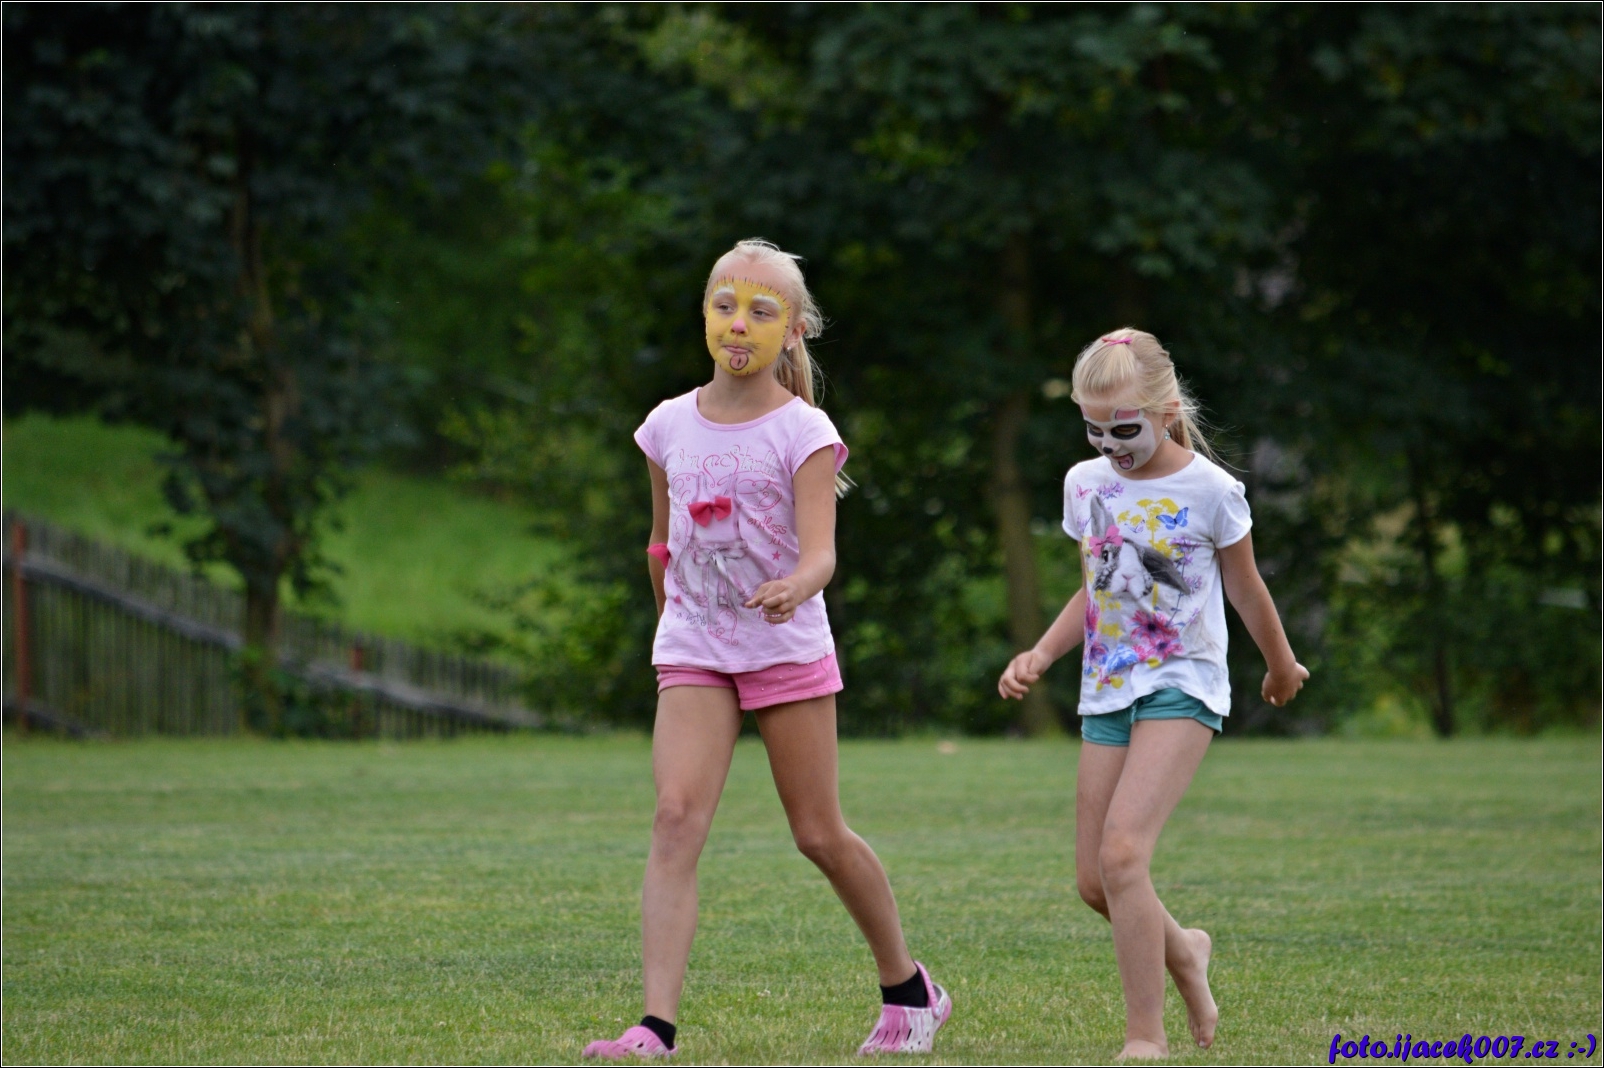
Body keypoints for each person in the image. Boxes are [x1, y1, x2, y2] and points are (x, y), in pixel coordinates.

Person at [583, 239, 951, 1061]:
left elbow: (821, 554)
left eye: (759, 310)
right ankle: (654, 1028)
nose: (738, 323)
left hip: (785, 647)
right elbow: (660, 543)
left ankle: (909, 988)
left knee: (818, 834)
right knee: (675, 818)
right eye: (724, 305)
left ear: (792, 330)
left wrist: (795, 586)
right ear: (704, 315)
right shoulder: (666, 424)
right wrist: (673, 630)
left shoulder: (804, 430)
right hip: (695, 649)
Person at [998, 328, 1307, 1061]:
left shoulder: (1211, 491)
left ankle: (1146, 1035)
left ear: (1167, 413)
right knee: (1094, 881)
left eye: (1125, 429)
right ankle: (1186, 951)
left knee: (1124, 854)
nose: (1110, 445)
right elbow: (1098, 583)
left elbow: (1246, 588)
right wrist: (1042, 652)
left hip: (1183, 681)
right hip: (1107, 687)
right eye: (1094, 429)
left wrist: (1281, 666)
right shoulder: (1086, 484)